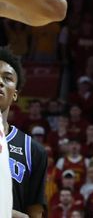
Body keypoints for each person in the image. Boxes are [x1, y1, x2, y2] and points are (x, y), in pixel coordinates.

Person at [0, 47, 49, 218]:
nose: (0, 82)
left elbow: (35, 214)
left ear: (15, 94)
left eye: (7, 78)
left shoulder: (33, 150)